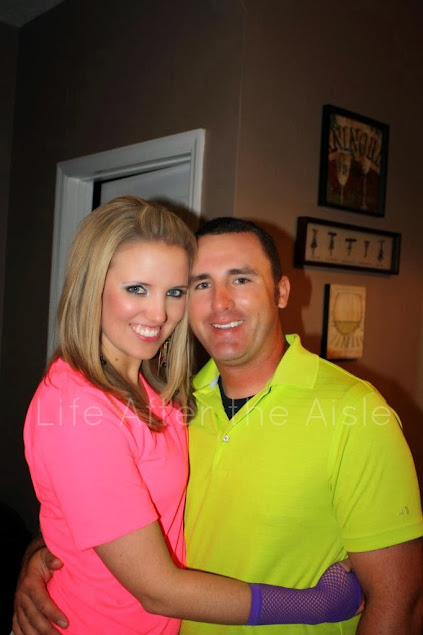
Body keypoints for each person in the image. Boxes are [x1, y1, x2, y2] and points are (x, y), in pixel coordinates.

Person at [12, 199, 363, 635]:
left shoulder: (162, 392)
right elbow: (156, 589)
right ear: (91, 287)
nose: (159, 314)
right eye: (136, 289)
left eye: (175, 292)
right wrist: (316, 604)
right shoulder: (76, 407)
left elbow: (88, 512)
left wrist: (40, 549)